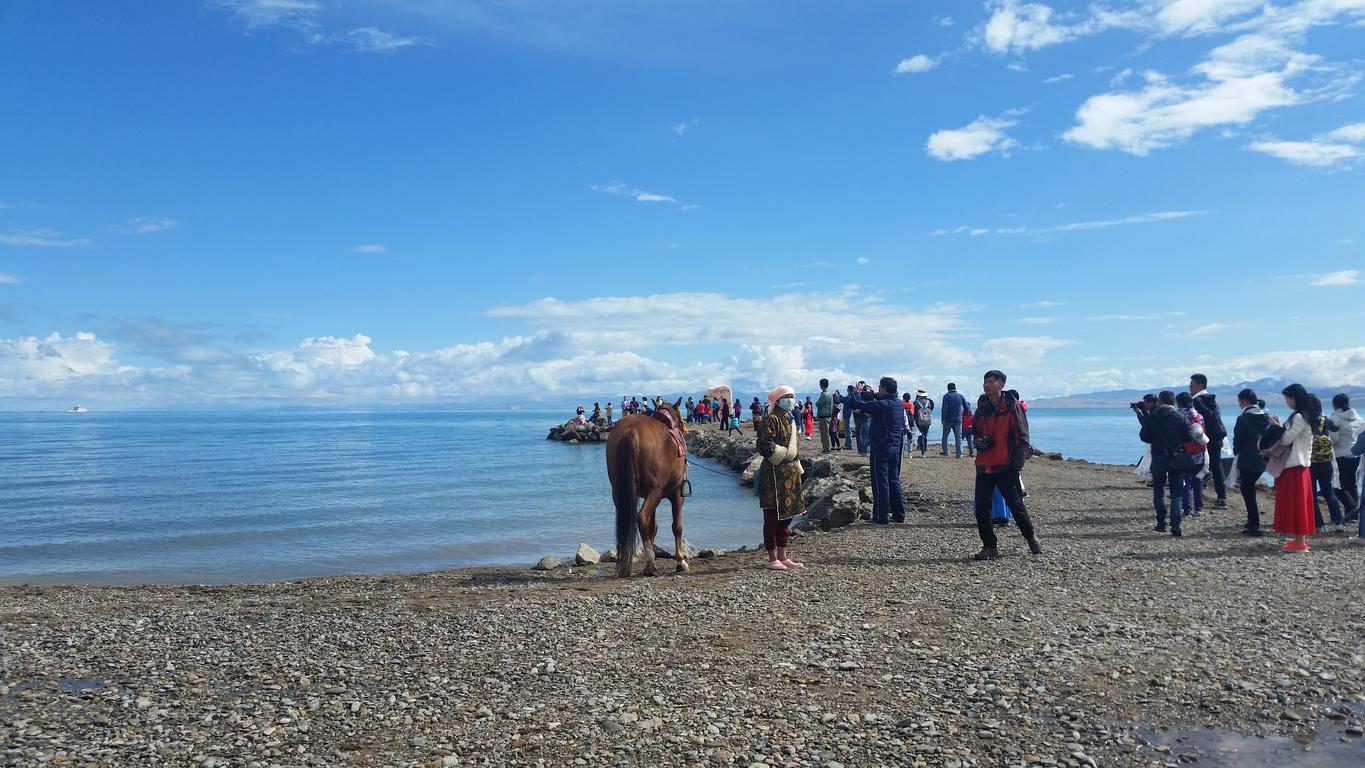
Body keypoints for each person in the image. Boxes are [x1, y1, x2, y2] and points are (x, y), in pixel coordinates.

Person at [970, 370, 1041, 559]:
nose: (986, 385)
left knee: (1016, 506)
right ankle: (989, 546)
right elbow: (975, 429)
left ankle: (1031, 538)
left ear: (1001, 384)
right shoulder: (982, 406)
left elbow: (1022, 435)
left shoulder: (1012, 406)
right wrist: (978, 441)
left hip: (1006, 465)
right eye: (985, 381)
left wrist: (1017, 463)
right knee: (982, 509)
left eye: (991, 382)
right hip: (984, 464)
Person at [755, 385, 805, 571]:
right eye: (787, 396)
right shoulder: (771, 419)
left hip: (790, 472)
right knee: (772, 516)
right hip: (773, 474)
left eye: (792, 396)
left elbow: (795, 448)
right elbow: (764, 446)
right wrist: (787, 454)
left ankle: (783, 556)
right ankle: (772, 557)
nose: (791, 399)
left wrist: (796, 462)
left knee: (787, 516)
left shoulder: (789, 419)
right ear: (778, 400)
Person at [1263, 384, 1317, 551]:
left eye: (1288, 398)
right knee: (1301, 503)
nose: (1287, 401)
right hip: (1301, 465)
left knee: (1296, 504)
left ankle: (1300, 543)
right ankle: (1301, 540)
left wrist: (1276, 426)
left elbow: (1286, 440)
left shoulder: (1299, 417)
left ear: (1296, 398)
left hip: (1294, 465)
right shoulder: (1306, 416)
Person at [850, 377, 907, 524]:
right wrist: (868, 392)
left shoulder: (883, 405)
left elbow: (858, 405)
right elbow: (875, 398)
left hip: (881, 447)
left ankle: (881, 516)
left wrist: (856, 393)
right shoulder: (898, 403)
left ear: (884, 389)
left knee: (880, 481)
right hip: (896, 447)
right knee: (894, 480)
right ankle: (898, 514)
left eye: (880, 388)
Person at [1139, 390, 1189, 537]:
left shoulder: (1152, 417)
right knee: (1177, 492)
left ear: (1160, 401)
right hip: (1176, 457)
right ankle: (1175, 524)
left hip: (1158, 456)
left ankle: (1161, 523)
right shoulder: (1181, 418)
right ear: (1173, 402)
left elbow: (1144, 437)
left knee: (1158, 490)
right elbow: (1188, 437)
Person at [1231, 389, 1270, 536]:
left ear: (1245, 401)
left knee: (1247, 489)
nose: (1239, 404)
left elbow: (1238, 439)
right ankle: (1252, 520)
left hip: (1247, 458)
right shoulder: (1265, 416)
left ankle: (1254, 523)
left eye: (1239, 401)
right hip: (1263, 458)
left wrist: (1236, 452)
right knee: (1249, 488)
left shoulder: (1243, 418)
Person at [1189, 374, 1229, 510]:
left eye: (1192, 385)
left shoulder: (1197, 401)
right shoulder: (1212, 400)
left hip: (1204, 438)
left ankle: (1187, 494)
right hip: (1218, 437)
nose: (1190, 388)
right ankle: (1222, 497)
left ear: (1200, 385)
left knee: (1194, 463)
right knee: (1216, 466)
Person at [1307, 395, 1343, 531]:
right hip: (1326, 461)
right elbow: (1335, 428)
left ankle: (1319, 524)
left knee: (1312, 494)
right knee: (1329, 491)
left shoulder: (1306, 421)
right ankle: (1338, 522)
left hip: (1311, 461)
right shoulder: (1325, 419)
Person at [1175, 392, 1209, 518]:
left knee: (1185, 481)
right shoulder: (1199, 416)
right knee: (1198, 480)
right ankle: (1198, 508)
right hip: (1200, 452)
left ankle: (1187, 510)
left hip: (1184, 453)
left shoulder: (1178, 416)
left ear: (1179, 402)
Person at [1328, 393, 1362, 517]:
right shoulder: (1358, 417)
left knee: (1337, 484)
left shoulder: (1334, 418)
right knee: (1352, 484)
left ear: (1334, 404)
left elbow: (1334, 439)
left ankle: (1352, 507)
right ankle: (1352, 515)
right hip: (1356, 455)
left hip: (1340, 455)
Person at [939, 383, 969, 458]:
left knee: (945, 436)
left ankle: (946, 451)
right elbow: (966, 406)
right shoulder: (960, 396)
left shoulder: (946, 396)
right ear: (955, 387)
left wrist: (943, 419)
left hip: (948, 419)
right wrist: (965, 413)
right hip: (958, 419)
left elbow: (944, 409)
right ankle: (959, 454)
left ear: (948, 388)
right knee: (958, 437)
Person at [815, 379, 835, 454]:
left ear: (821, 385)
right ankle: (826, 448)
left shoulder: (824, 394)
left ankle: (826, 449)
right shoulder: (830, 394)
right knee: (826, 434)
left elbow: (817, 404)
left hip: (823, 416)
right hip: (829, 415)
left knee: (824, 434)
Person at [913, 388, 934, 457]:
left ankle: (923, 452)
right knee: (925, 435)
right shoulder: (929, 401)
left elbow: (914, 412)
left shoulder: (916, 402)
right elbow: (931, 408)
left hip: (918, 421)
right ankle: (924, 450)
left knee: (921, 435)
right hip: (927, 420)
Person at [842, 385, 858, 451]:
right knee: (848, 430)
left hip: (847, 415)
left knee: (847, 430)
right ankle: (848, 444)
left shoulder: (850, 396)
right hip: (849, 415)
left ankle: (848, 445)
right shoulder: (853, 396)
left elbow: (842, 400)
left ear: (849, 390)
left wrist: (838, 394)